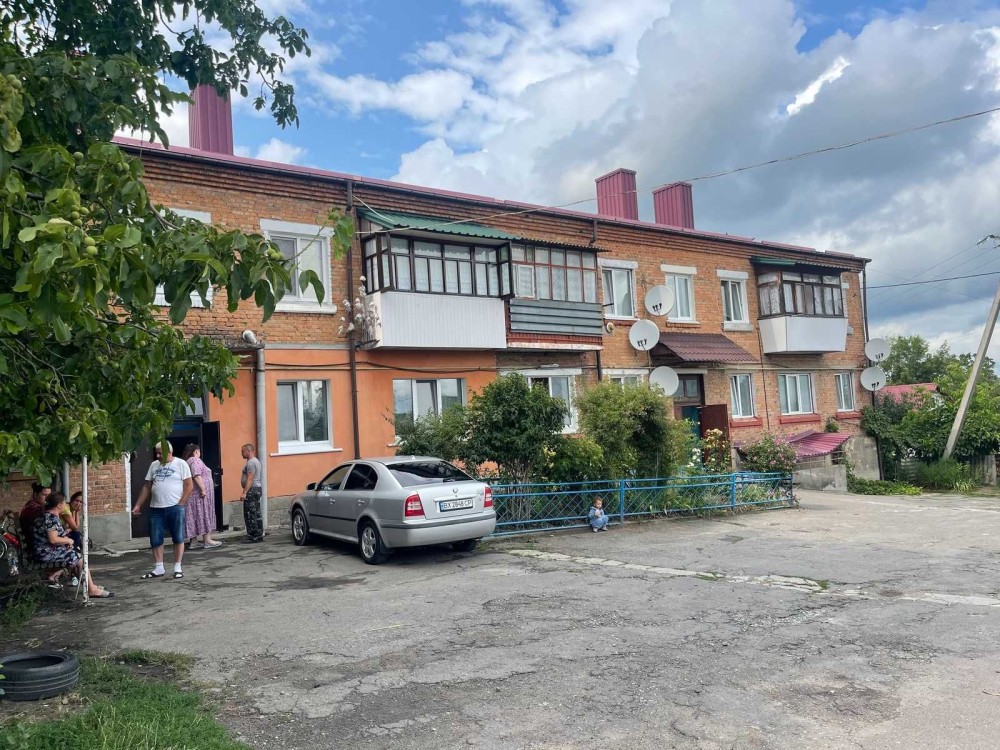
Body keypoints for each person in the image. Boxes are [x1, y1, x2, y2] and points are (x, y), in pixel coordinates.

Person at [132, 440, 192, 580]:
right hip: (156, 508)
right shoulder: (154, 465)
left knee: (178, 537)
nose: (158, 455)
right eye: (156, 453)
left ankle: (177, 567)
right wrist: (138, 505)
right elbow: (147, 486)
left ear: (169, 452)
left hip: (175, 507)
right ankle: (159, 567)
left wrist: (181, 503)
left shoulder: (181, 464)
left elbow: (189, 485)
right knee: (156, 538)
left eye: (160, 453)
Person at [33, 492, 113, 597]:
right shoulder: (51, 518)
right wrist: (68, 541)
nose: (65, 505)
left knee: (75, 555)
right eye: (63, 503)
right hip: (45, 553)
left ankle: (89, 586)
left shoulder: (46, 515)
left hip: (44, 551)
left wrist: (65, 541)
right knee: (79, 559)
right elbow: (53, 539)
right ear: (59, 505)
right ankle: (91, 589)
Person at [182, 444, 221, 550]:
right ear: (196, 452)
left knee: (194, 516)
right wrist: (203, 489)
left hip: (192, 495)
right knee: (204, 514)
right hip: (199, 495)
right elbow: (196, 475)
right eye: (199, 451)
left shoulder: (187, 462)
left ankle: (194, 541)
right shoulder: (195, 460)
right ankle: (207, 540)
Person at [240, 443, 264, 543]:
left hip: (252, 490)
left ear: (249, 451)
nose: (241, 453)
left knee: (250, 513)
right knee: (256, 512)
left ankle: (253, 536)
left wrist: (244, 492)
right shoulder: (256, 461)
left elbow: (250, 478)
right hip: (256, 489)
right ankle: (259, 535)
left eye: (243, 451)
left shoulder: (251, 463)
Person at [19, 482, 51, 555]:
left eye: (49, 495)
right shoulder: (36, 508)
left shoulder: (31, 504)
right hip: (35, 544)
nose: (48, 498)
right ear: (35, 495)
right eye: (44, 495)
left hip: (33, 540)